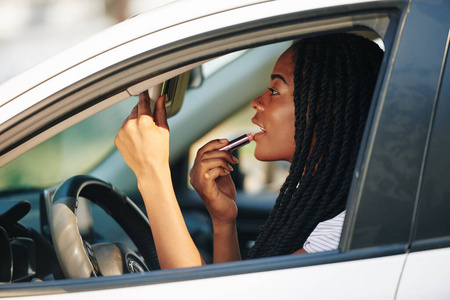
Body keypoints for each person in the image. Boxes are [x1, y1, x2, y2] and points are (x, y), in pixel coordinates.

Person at [115, 33, 384, 269]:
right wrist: (223, 222)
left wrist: (152, 175)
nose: (257, 102)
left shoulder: (341, 235)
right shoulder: (340, 213)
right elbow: (232, 289)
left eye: (274, 90)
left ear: (327, 110)